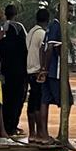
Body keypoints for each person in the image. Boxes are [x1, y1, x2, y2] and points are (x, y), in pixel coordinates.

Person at [38, 14, 68, 146]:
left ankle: (44, 135)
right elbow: (50, 48)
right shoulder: (57, 26)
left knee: (44, 101)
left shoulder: (50, 26)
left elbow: (42, 49)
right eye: (70, 11)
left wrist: (42, 68)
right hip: (55, 72)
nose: (72, 14)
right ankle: (62, 134)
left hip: (47, 70)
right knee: (67, 100)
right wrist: (45, 69)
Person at [0, 4, 28, 137]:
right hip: (18, 70)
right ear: (16, 13)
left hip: (5, 70)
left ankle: (6, 126)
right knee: (17, 99)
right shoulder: (19, 27)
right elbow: (25, 48)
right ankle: (12, 126)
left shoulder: (1, 28)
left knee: (6, 99)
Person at [26, 8, 52, 143]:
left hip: (29, 70)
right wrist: (44, 69)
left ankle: (32, 133)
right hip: (38, 70)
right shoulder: (42, 33)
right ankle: (41, 133)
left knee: (32, 102)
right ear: (47, 20)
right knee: (39, 103)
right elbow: (44, 51)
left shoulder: (31, 32)